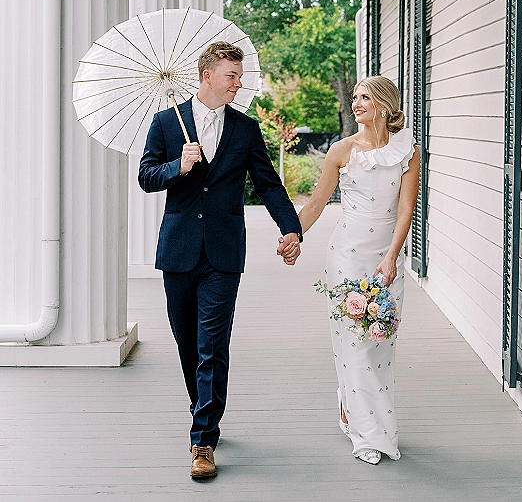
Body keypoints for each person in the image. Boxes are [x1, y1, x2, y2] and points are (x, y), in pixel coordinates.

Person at [138, 41, 301, 480]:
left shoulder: (245, 129)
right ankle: (202, 405)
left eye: (239, 74)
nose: (238, 83)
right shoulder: (165, 124)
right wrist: (179, 166)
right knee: (187, 343)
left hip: (225, 254)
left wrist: (291, 228)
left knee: (213, 346)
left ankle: (203, 439)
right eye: (232, 75)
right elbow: (146, 177)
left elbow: (268, 185)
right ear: (207, 75)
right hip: (178, 250)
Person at [287, 75, 419, 464]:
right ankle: (369, 437)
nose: (356, 103)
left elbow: (406, 209)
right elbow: (315, 204)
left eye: (365, 97)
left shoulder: (407, 150)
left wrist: (392, 257)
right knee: (353, 346)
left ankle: (352, 411)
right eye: (355, 97)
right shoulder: (341, 151)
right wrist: (292, 235)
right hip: (346, 256)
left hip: (385, 259)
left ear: (383, 105)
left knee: (379, 345)